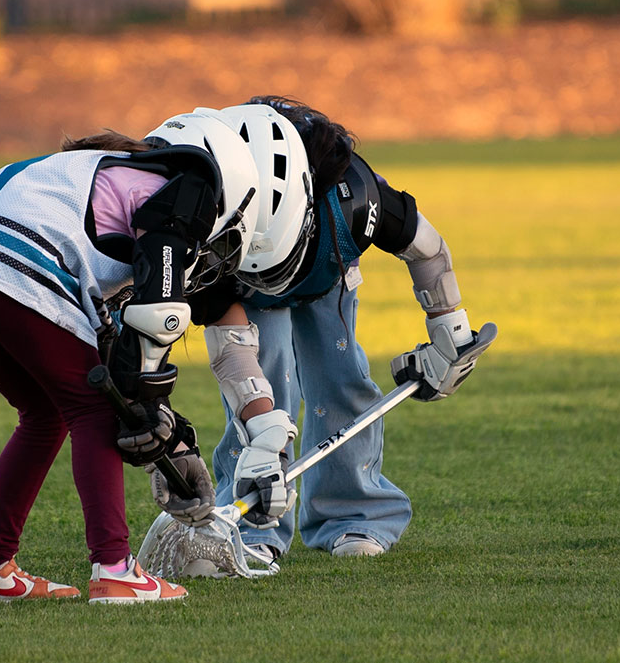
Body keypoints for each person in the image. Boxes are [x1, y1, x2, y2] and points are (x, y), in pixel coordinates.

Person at [0, 110, 262, 604]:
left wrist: (171, 445)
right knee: (92, 409)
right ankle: (115, 569)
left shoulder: (83, 175)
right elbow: (142, 337)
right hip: (8, 261)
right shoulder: (170, 187)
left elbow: (115, 357)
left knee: (44, 413)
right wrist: (166, 437)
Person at [188, 97, 495, 567]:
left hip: (325, 265)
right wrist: (264, 435)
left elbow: (429, 252)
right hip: (240, 284)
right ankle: (249, 524)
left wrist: (449, 331)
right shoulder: (210, 223)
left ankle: (355, 514)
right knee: (263, 389)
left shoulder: (357, 196)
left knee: (341, 379)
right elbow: (234, 355)